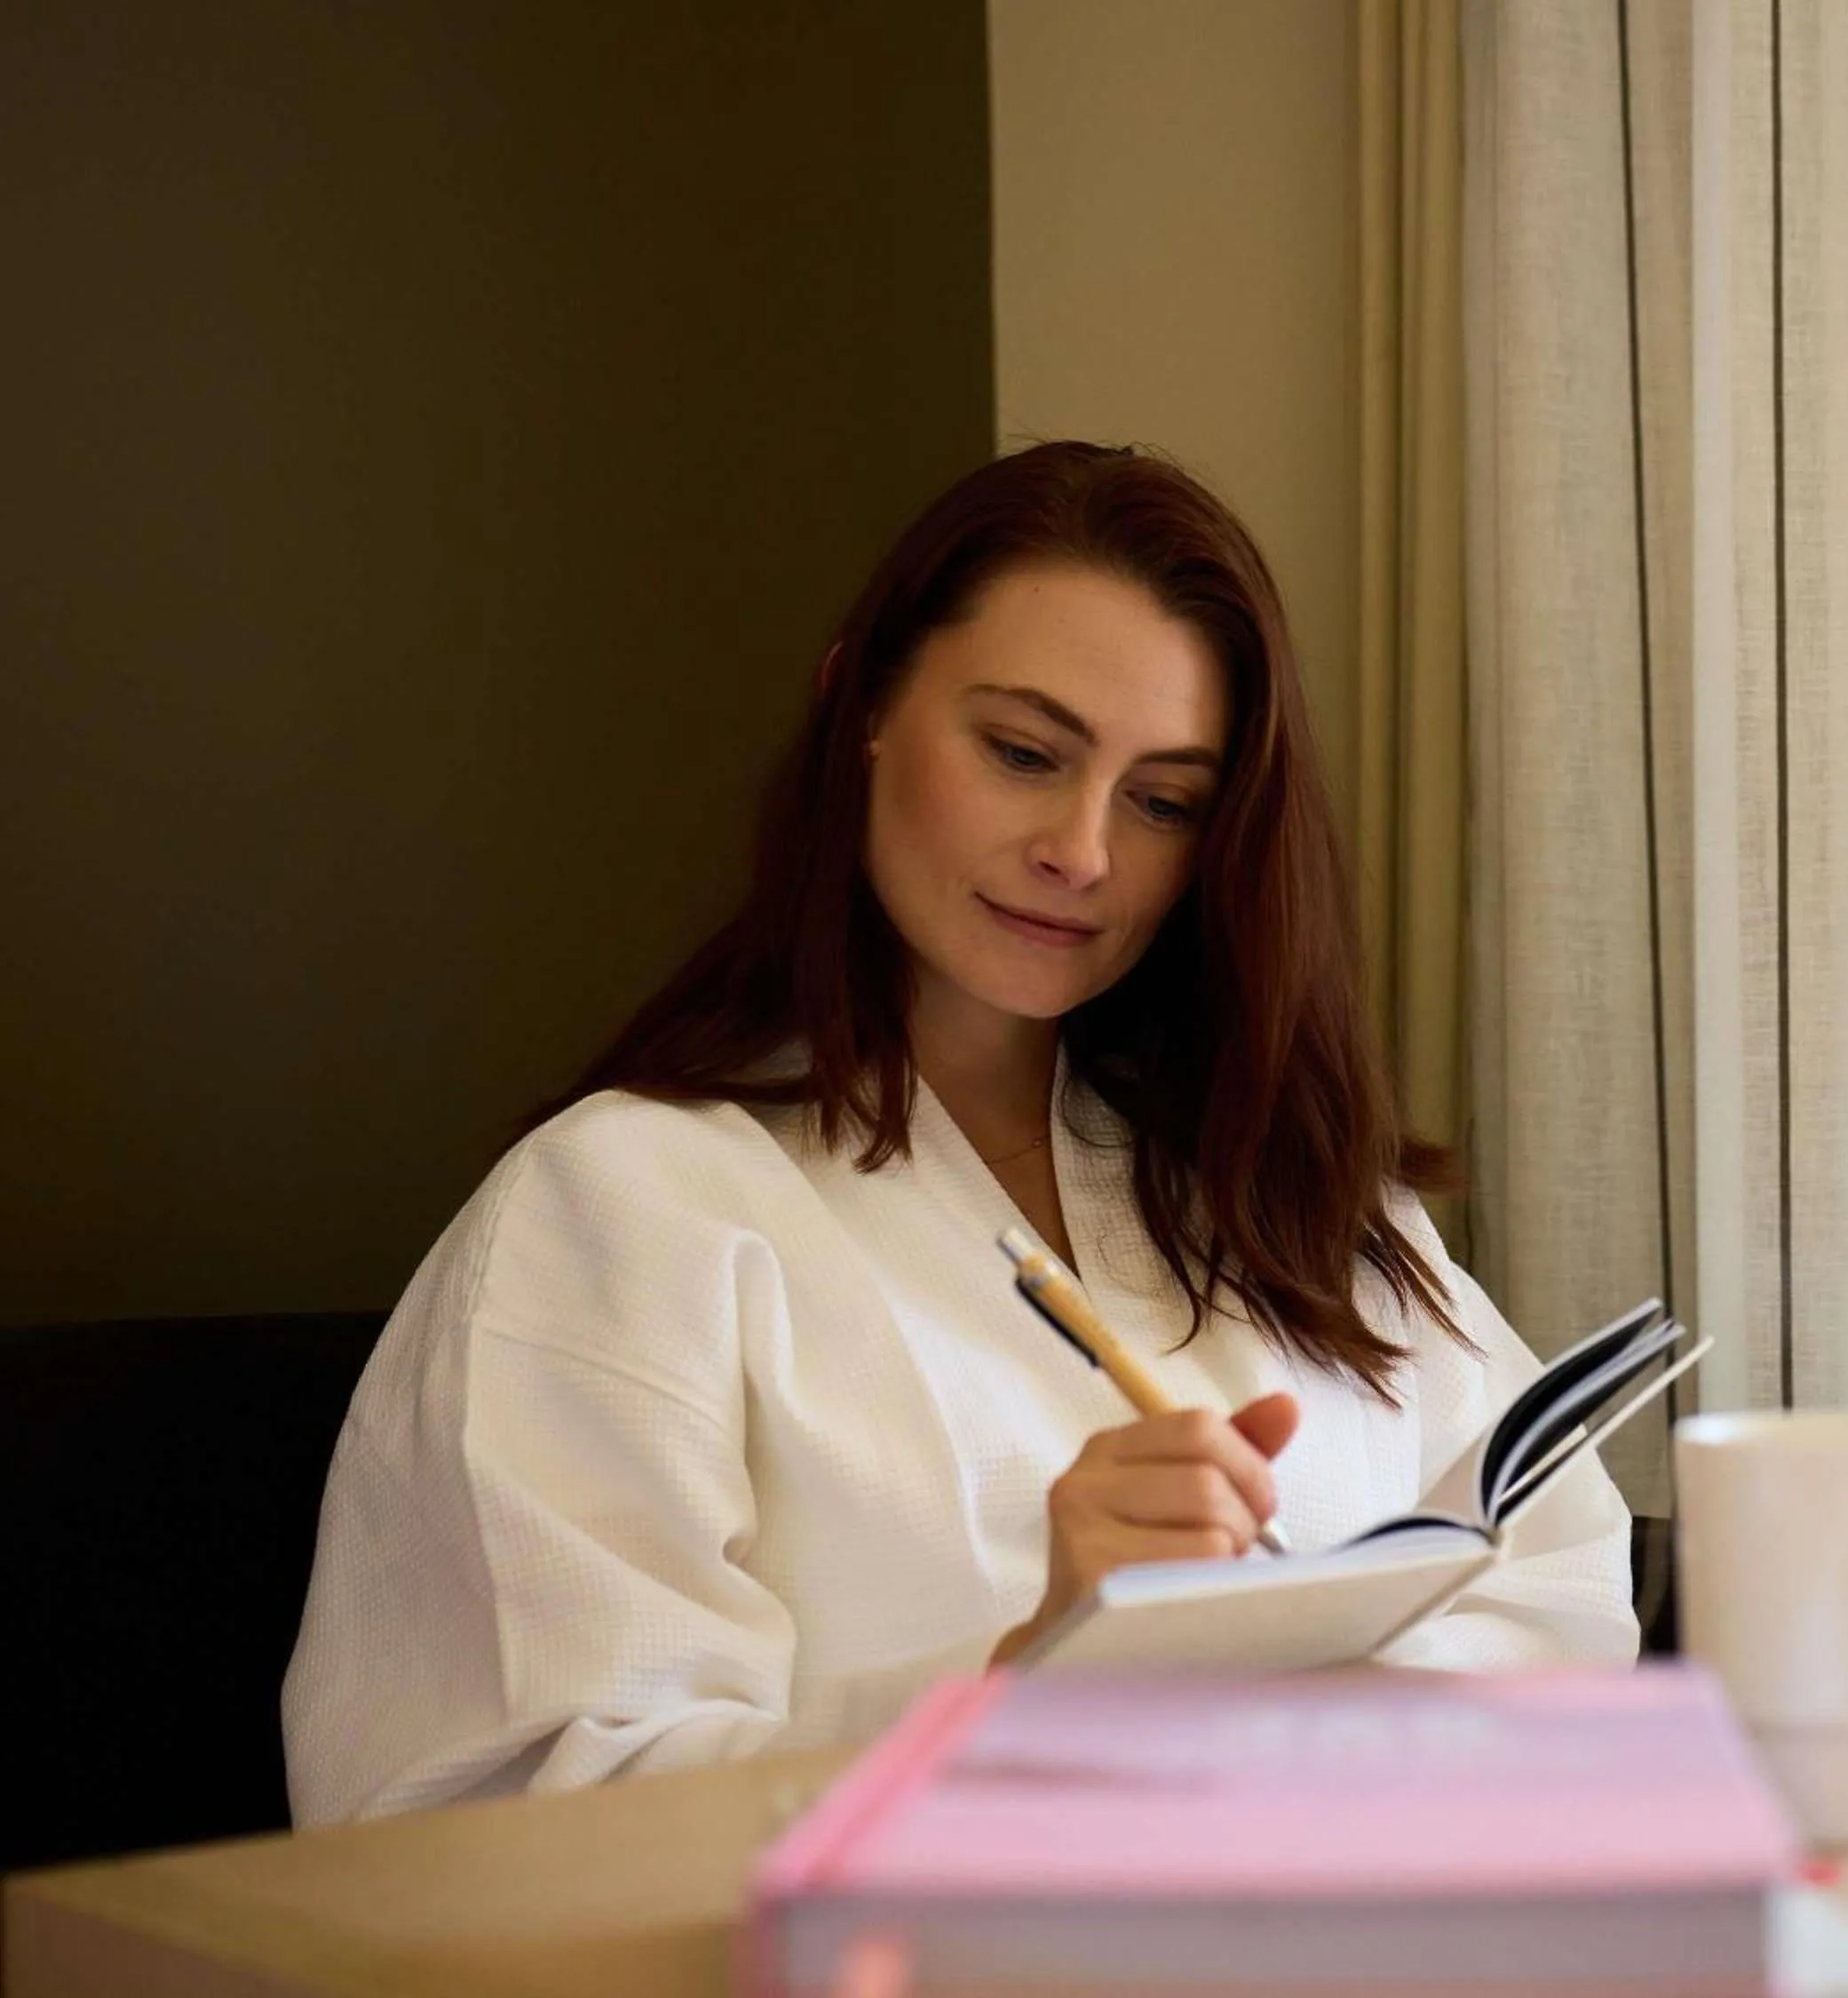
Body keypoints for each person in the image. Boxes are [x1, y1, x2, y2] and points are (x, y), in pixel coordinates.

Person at [282, 441, 1638, 1825]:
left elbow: (1563, 1591)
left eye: (1163, 801)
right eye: (1024, 753)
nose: (1083, 851)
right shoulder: (622, 1210)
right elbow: (508, 1812)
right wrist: (1025, 1688)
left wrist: (1306, 1718)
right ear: (861, 704)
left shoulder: (1289, 1193)